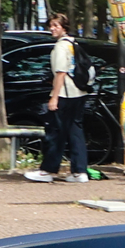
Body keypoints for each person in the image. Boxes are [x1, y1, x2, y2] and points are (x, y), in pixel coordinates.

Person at [24, 12, 88, 183]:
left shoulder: (60, 47)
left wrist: (54, 97)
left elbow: (60, 73)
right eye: (51, 26)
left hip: (65, 94)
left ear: (63, 27)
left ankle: (48, 170)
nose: (52, 29)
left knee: (55, 132)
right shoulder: (73, 43)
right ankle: (80, 171)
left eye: (56, 26)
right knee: (75, 131)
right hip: (79, 93)